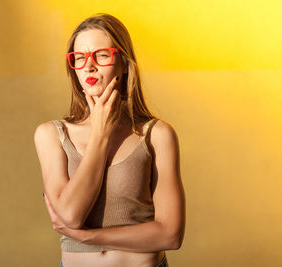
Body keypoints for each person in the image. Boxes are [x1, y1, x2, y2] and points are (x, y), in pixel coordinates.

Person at [34, 13, 185, 267]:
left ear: (124, 63)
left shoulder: (157, 135)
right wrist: (100, 134)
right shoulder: (51, 135)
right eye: (80, 58)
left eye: (101, 55)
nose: (89, 67)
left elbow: (171, 234)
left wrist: (90, 237)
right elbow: (71, 215)